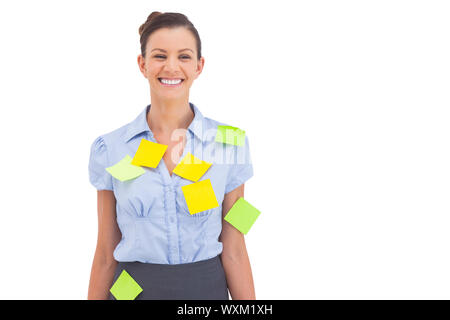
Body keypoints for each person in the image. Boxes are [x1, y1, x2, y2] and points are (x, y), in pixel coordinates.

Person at [87, 11, 255, 300]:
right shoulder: (109, 148)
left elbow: (236, 247)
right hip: (131, 291)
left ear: (200, 66)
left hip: (206, 291)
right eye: (160, 56)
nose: (172, 67)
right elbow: (105, 251)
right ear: (142, 64)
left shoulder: (231, 144)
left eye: (185, 56)